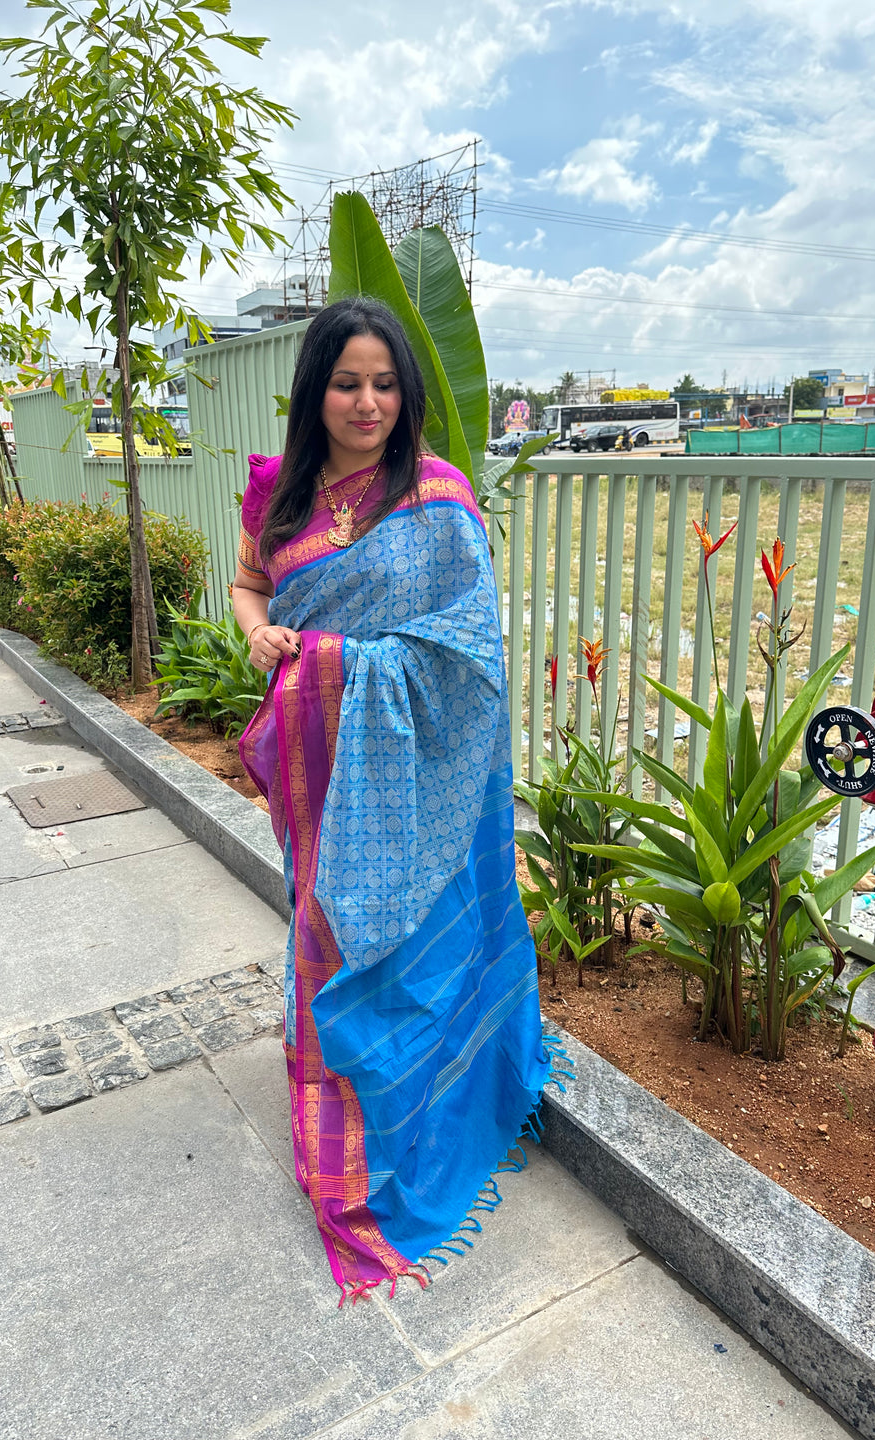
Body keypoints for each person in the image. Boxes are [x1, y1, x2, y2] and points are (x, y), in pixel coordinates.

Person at [232, 296, 559, 1304]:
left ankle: (435, 1100)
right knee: (327, 928)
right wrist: (258, 630)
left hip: (420, 764)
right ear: (315, 391)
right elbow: (248, 584)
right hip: (321, 760)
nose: (366, 402)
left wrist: (340, 657)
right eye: (345, 382)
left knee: (421, 935)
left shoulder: (438, 495)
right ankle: (341, 1100)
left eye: (383, 383)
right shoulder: (278, 498)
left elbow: (470, 650)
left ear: (405, 392)